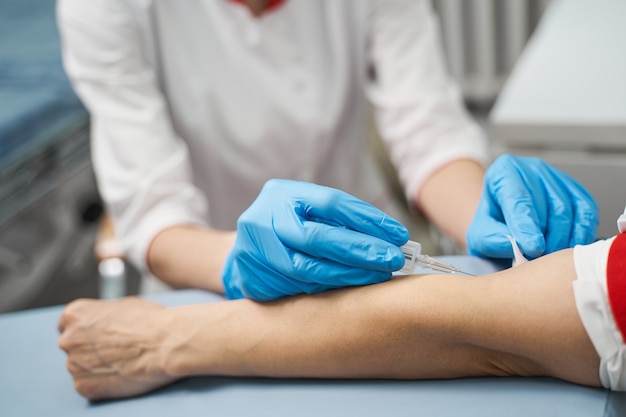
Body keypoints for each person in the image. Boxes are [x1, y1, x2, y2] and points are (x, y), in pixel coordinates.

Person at [56, 0, 598, 301]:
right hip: (205, 281)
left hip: (365, 265)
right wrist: (237, 264)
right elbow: (155, 214)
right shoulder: (104, 10)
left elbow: (427, 131)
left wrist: (489, 213)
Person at [58, 219, 626, 400]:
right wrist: (230, 259)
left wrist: (166, 339)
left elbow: (470, 319)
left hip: (343, 241)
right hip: (201, 252)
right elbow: (148, 204)